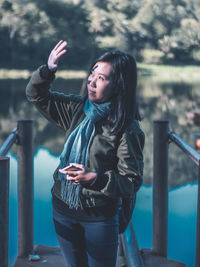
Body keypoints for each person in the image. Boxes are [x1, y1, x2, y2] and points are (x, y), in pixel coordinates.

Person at [26, 40, 145, 267]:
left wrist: (96, 179)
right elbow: (36, 95)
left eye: (101, 78)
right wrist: (48, 70)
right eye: (92, 73)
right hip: (62, 207)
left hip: (99, 217)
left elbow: (131, 180)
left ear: (119, 85)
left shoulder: (127, 129)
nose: (91, 81)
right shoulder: (77, 110)